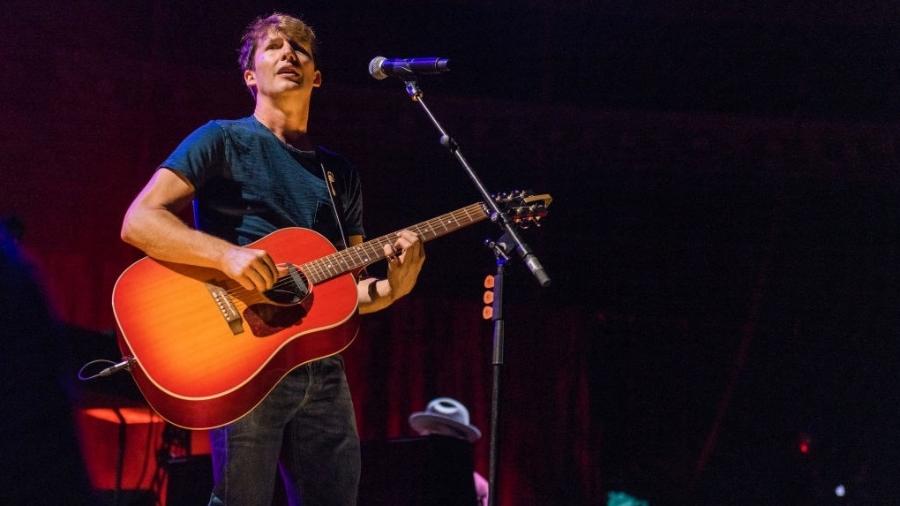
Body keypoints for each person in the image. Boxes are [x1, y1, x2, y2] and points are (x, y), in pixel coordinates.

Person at [120, 12, 425, 506]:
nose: (289, 54)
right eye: (275, 47)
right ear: (250, 75)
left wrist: (393, 287)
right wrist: (228, 257)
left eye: (301, 49)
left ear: (316, 76)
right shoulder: (221, 138)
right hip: (245, 356)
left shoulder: (338, 174)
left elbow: (350, 290)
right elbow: (139, 221)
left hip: (322, 366)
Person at [409, 397, 489, 506]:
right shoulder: (408, 478)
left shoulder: (479, 487)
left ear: (459, 442)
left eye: (438, 436)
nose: (430, 442)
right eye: (426, 433)